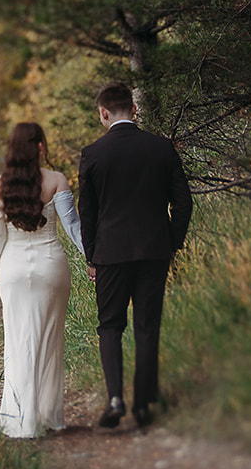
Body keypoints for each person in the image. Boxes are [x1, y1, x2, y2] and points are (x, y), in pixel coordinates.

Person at [78, 81, 193, 429]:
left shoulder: (93, 154)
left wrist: (92, 257)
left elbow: (88, 213)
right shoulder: (160, 148)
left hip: (110, 254)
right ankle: (142, 404)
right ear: (134, 109)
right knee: (147, 326)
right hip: (153, 251)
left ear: (103, 113)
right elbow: (184, 202)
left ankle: (116, 398)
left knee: (110, 326)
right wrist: (171, 242)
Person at [0, 122, 87, 438]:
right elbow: (73, 227)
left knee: (18, 342)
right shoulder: (57, 180)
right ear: (39, 146)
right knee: (49, 341)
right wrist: (93, 258)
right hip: (50, 267)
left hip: (13, 269)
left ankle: (20, 420)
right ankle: (49, 416)